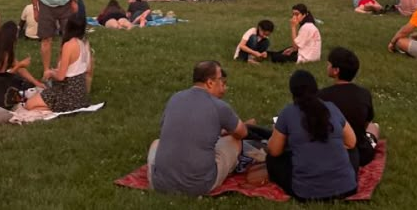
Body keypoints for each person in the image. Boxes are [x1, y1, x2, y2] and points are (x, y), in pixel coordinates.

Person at [147, 60, 248, 196]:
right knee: (234, 141)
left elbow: (166, 128)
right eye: (220, 79)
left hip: (160, 183)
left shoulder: (175, 98)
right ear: (210, 82)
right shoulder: (219, 106)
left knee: (156, 143)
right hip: (200, 185)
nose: (222, 83)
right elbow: (242, 133)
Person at [266, 69, 357, 200]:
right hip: (347, 188)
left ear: (293, 92)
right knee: (353, 152)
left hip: (306, 192)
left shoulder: (288, 113)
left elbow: (274, 151)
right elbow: (351, 142)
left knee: (272, 160)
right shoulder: (331, 107)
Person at [319, 47, 379, 169]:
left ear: (336, 70)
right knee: (374, 127)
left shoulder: (322, 96)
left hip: (332, 152)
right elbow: (366, 124)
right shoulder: (364, 93)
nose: (327, 66)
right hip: (361, 153)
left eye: (328, 64)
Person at [25, 13, 93, 113]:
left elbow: (61, 77)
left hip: (67, 91)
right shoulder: (83, 43)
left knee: (29, 105)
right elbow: (84, 69)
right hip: (80, 92)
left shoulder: (69, 45)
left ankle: (54, 108)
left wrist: (50, 72)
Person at [0, 20, 45, 105]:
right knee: (23, 86)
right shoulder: (3, 54)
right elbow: (2, 78)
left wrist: (36, 82)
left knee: (28, 84)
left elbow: (21, 70)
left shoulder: (2, 49)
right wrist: (19, 65)